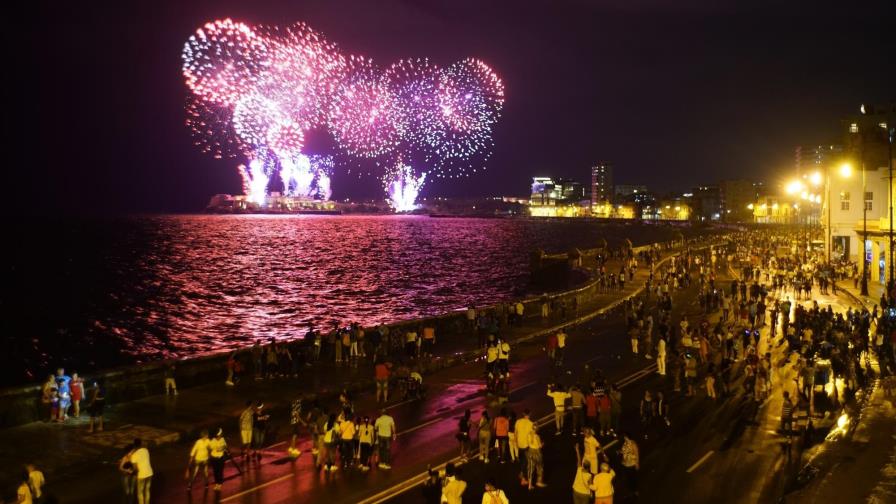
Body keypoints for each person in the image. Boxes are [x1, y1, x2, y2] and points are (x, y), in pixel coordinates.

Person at [130, 438, 153, 504]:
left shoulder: (134, 455)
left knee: (140, 492)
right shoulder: (146, 450)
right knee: (147, 490)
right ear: (141, 443)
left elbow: (135, 469)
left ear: (134, 445)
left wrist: (131, 472)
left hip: (141, 475)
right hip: (149, 472)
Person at [515, 409, 534, 486]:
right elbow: (532, 436)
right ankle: (523, 479)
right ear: (529, 414)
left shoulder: (518, 422)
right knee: (525, 463)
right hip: (527, 445)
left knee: (521, 460)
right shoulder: (531, 424)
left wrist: (516, 443)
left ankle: (520, 473)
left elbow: (515, 433)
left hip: (519, 444)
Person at [619, 433, 639, 498]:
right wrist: (620, 452)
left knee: (633, 479)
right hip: (625, 464)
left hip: (632, 464)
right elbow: (623, 451)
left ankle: (635, 491)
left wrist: (637, 463)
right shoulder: (624, 443)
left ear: (627, 437)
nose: (624, 438)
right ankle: (629, 492)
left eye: (624, 437)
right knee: (627, 479)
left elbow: (636, 453)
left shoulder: (633, 444)